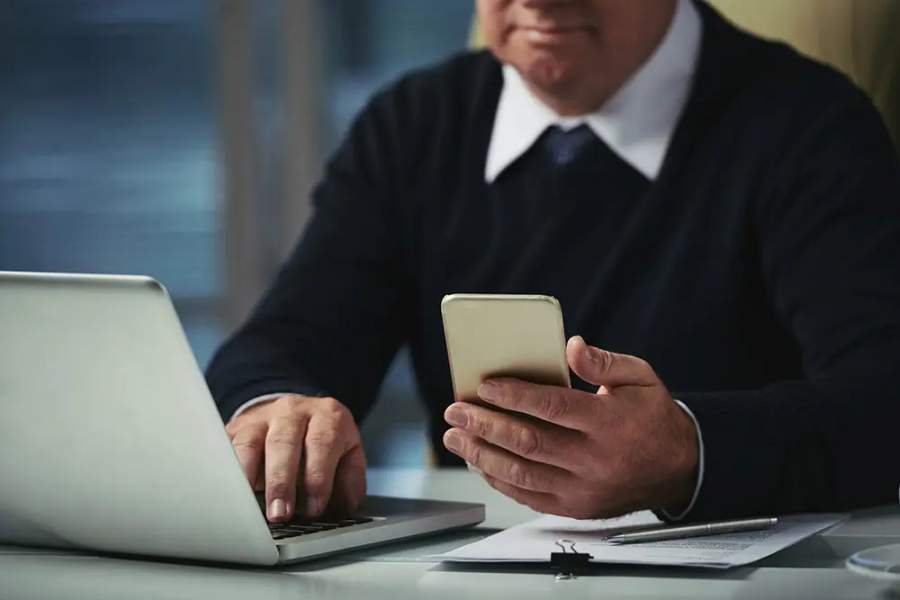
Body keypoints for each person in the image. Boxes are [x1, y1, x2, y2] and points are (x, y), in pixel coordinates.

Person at [206, 0, 900, 525]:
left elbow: (881, 399)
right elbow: (282, 343)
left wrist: (689, 451)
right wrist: (278, 413)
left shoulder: (810, 126)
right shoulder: (415, 123)